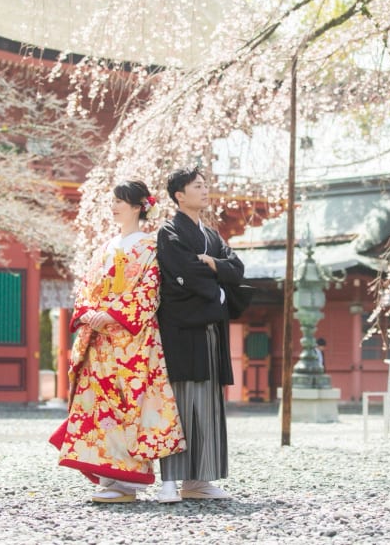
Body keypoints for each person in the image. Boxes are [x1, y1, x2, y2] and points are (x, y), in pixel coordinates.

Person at [49, 180, 185, 503]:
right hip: (101, 342)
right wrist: (89, 314)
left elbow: (148, 293)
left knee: (130, 406)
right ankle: (109, 476)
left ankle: (127, 481)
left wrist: (110, 315)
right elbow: (87, 289)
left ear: (139, 206)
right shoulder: (105, 248)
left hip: (131, 343)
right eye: (113, 200)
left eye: (121, 201)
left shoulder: (150, 248)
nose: (114, 206)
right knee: (99, 407)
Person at [155, 167, 245, 502]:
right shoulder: (168, 232)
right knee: (179, 402)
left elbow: (237, 268)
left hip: (209, 329)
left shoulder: (211, 234)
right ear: (179, 194)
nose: (205, 190)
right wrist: (218, 290)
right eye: (198, 186)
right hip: (181, 329)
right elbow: (183, 273)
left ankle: (198, 480)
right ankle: (170, 478)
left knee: (208, 401)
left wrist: (214, 265)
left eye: (206, 185)